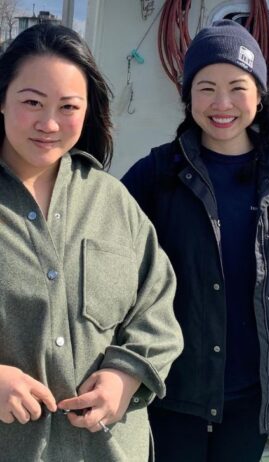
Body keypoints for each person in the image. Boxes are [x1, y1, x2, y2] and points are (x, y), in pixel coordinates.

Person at [122, 19, 269, 462]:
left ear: (260, 94)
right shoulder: (157, 174)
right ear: (188, 96)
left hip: (253, 400)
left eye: (238, 87)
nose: (222, 103)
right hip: (173, 393)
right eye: (206, 87)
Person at [0, 23, 183, 461]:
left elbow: (155, 305)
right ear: (2, 100)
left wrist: (126, 375)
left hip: (110, 450)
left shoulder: (113, 201)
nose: (48, 123)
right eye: (32, 103)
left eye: (68, 106)